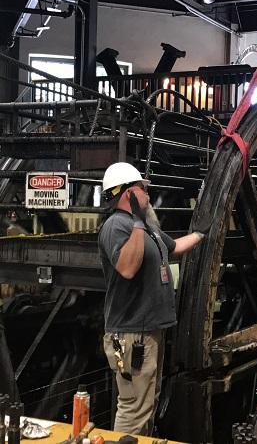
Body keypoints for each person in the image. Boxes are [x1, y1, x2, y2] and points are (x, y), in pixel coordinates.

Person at [97, 162, 207, 434]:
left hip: (149, 333)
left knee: (148, 403)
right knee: (134, 409)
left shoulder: (147, 228)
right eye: (142, 188)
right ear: (128, 195)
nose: (147, 192)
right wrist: (136, 220)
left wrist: (201, 233)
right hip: (132, 334)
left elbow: (175, 248)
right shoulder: (117, 226)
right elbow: (127, 267)